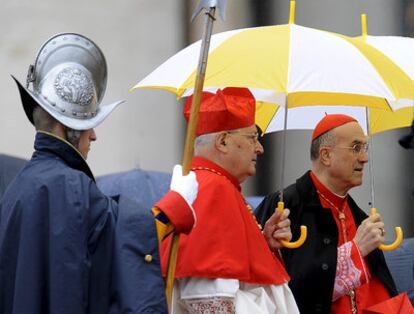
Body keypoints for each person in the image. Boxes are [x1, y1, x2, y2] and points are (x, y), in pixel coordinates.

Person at [0, 32, 198, 314]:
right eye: (88, 126)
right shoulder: (70, 186)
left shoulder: (18, 186)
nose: (93, 136)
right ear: (67, 129)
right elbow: (122, 244)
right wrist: (175, 206)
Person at [158, 87, 299, 313]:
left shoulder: (216, 185)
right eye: (253, 137)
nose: (260, 148)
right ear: (223, 141)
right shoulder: (213, 190)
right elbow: (208, 299)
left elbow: (231, 270)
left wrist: (262, 244)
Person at [255, 114, 400, 313]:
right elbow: (283, 293)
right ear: (326, 155)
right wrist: (355, 251)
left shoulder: (360, 217)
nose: (364, 158)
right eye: (356, 147)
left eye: (364, 148)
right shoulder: (283, 206)